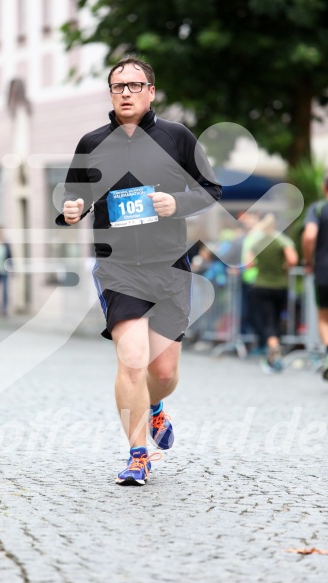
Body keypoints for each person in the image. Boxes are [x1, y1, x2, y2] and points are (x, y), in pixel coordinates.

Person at [56, 56, 221, 485]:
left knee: (162, 374)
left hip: (170, 267)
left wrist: (178, 203)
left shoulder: (177, 137)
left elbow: (211, 189)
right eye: (117, 86)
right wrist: (71, 210)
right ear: (110, 93)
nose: (125, 93)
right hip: (118, 267)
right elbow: (75, 197)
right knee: (132, 360)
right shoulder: (92, 142)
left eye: (134, 85)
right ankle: (137, 454)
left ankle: (155, 406)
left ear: (151, 91)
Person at [248, 214, 298, 373]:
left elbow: (249, 263)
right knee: (276, 319)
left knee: (267, 320)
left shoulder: (258, 241)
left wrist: (262, 265)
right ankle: (274, 354)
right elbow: (293, 260)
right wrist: (283, 266)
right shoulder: (282, 241)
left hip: (262, 284)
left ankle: (274, 348)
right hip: (281, 285)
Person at [302, 176, 328, 380]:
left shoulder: (318, 209)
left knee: (324, 317)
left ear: (323, 187)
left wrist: (309, 260)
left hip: (323, 271)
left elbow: (310, 235)